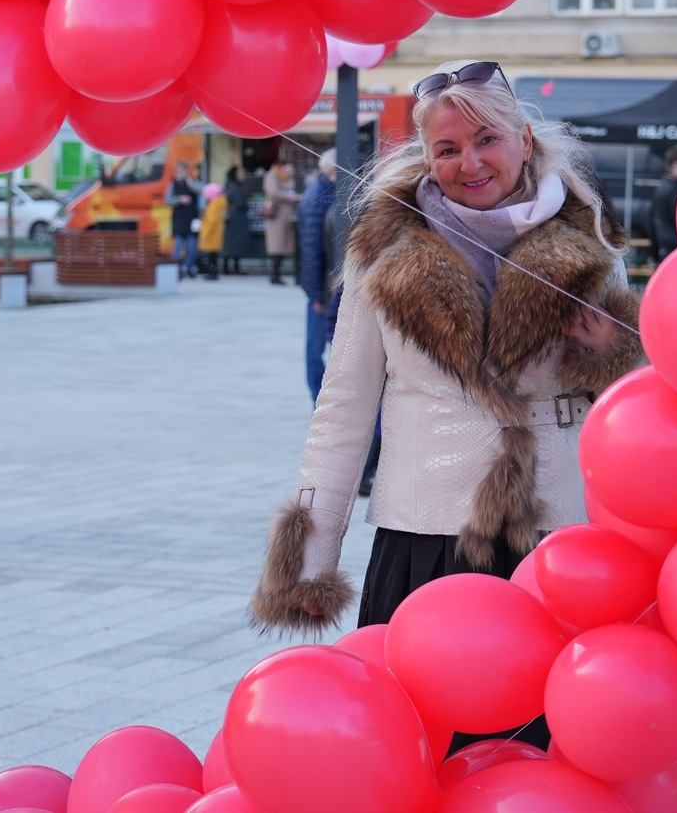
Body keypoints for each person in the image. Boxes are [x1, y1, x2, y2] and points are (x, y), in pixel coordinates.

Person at [251, 59, 645, 646]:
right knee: (422, 696)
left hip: (554, 532)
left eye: (487, 139)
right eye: (448, 148)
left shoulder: (589, 240)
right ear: (428, 156)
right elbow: (344, 407)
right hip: (424, 533)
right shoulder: (382, 249)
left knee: (547, 699)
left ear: (524, 140)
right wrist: (307, 562)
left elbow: (634, 408)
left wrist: (608, 354)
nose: (471, 163)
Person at [297, 148, 339, 401]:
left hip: (324, 286)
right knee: (316, 349)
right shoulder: (319, 197)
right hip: (323, 289)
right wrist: (316, 295)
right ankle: (319, 400)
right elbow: (312, 251)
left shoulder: (324, 192)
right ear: (333, 171)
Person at [262, 158, 300, 285]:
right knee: (276, 246)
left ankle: (277, 274)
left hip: (287, 216)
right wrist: (291, 197)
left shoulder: (286, 177)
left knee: (283, 246)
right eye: (287, 166)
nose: (289, 169)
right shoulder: (272, 176)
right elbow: (273, 193)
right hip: (277, 216)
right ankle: (274, 275)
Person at [165, 161, 202, 279]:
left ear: (187, 171)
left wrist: (191, 184)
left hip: (193, 218)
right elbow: (167, 200)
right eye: (178, 170)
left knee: (192, 245)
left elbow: (202, 191)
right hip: (178, 218)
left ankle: (191, 267)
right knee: (178, 245)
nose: (179, 173)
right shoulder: (173, 184)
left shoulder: (193, 182)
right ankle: (177, 268)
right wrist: (179, 199)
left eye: (181, 170)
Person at [221, 166, 251, 275]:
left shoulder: (228, 185)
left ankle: (226, 267)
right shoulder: (237, 187)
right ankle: (235, 267)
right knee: (236, 243)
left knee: (229, 243)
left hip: (231, 217)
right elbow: (241, 203)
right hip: (237, 218)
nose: (244, 175)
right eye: (241, 173)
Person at [197, 182, 226, 281]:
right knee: (214, 256)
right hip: (216, 234)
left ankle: (212, 273)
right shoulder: (219, 204)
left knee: (211, 257)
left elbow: (211, 221)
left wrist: (204, 234)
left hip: (211, 235)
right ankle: (214, 272)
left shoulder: (212, 206)